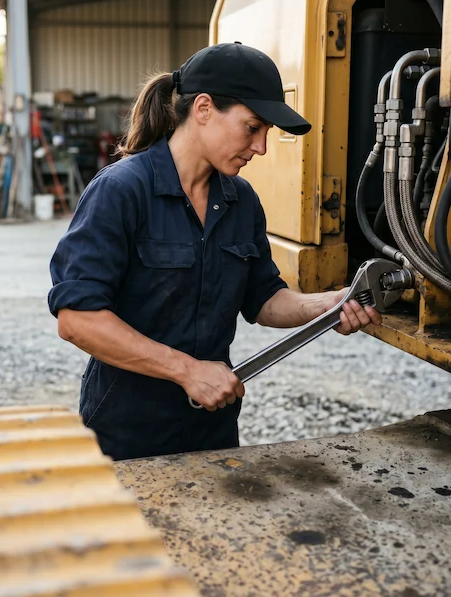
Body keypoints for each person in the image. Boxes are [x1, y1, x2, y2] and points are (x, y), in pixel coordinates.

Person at [48, 42, 382, 461]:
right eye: (252, 127)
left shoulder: (241, 201)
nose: (260, 147)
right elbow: (78, 320)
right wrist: (188, 371)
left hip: (213, 427)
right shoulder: (120, 191)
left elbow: (264, 300)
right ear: (203, 109)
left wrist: (331, 304)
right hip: (127, 433)